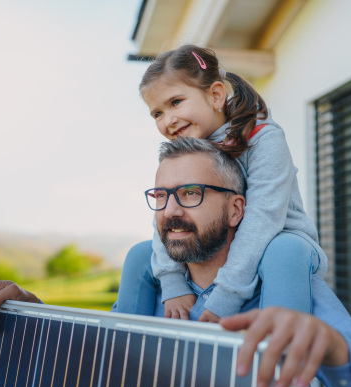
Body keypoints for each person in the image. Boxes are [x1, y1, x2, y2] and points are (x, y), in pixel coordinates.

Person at [0, 138, 351, 387]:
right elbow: (95, 366)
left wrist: (334, 350)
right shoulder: (152, 286)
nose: (171, 211)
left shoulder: (295, 295)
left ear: (238, 209)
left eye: (192, 193)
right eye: (161, 196)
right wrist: (27, 316)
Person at [136, 44, 326, 322]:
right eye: (157, 113)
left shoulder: (263, 138)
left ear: (215, 95)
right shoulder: (185, 152)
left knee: (283, 251)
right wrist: (173, 283)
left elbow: (264, 217)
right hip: (220, 245)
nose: (169, 120)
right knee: (140, 255)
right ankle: (117, 350)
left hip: (280, 244)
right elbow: (165, 215)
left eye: (176, 102)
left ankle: (281, 353)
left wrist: (226, 294)